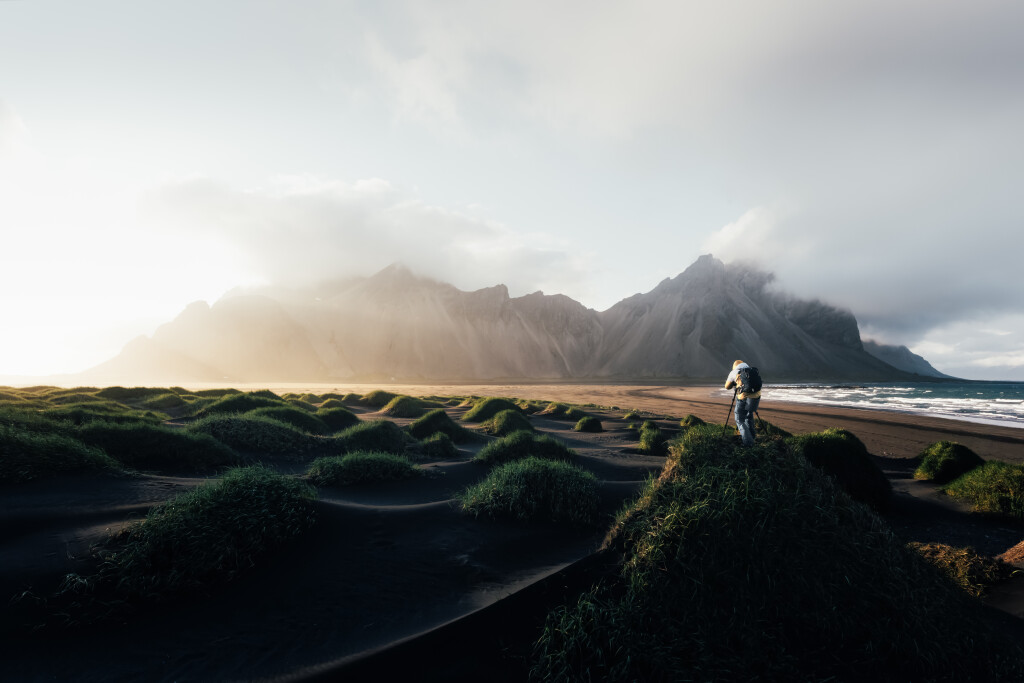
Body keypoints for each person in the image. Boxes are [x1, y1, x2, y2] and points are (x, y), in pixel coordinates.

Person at [725, 359, 761, 446]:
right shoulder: (751, 370)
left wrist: (734, 383)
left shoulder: (734, 372)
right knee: (749, 415)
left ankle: (748, 443)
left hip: (743, 397)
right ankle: (752, 437)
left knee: (739, 419)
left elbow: (727, 387)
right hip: (756, 396)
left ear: (734, 366)